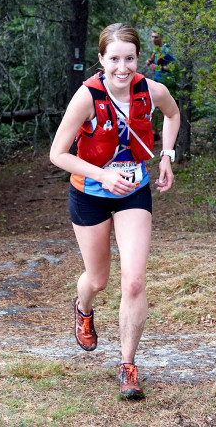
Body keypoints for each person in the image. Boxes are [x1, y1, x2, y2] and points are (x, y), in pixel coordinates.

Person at [49, 23, 179, 400]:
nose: (122, 68)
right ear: (102, 60)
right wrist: (102, 175)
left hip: (133, 192)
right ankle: (83, 307)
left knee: (134, 281)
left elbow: (172, 116)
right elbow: (58, 154)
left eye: (130, 59)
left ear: (138, 59)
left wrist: (167, 157)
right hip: (89, 192)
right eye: (114, 59)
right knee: (98, 279)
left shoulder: (153, 91)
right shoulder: (87, 97)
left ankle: (127, 366)